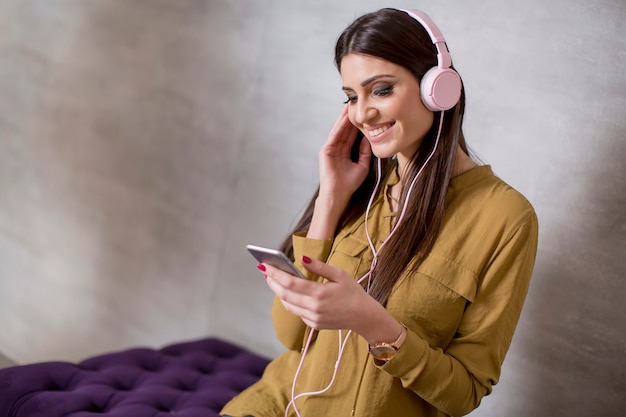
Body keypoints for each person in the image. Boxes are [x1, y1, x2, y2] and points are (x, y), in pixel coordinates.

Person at [221, 7, 538, 417]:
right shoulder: (361, 185)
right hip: (277, 404)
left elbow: (464, 393)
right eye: (352, 97)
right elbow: (290, 335)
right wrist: (330, 199)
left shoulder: (506, 218)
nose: (362, 113)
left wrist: (374, 324)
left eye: (382, 90)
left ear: (438, 89)